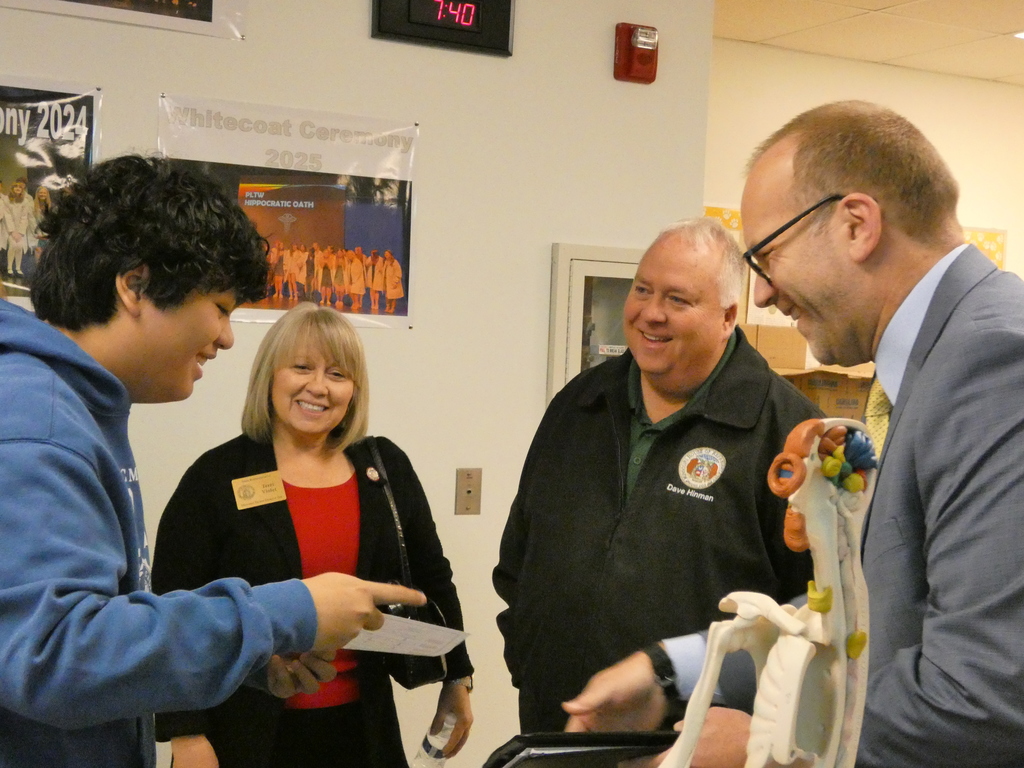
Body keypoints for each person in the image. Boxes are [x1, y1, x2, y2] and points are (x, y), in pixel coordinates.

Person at [563, 101, 1024, 768]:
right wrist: (675, 672)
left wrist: (772, 742)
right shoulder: (926, 366)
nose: (763, 296)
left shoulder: (994, 366)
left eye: (767, 255)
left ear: (857, 226)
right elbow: (868, 617)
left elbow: (985, 691)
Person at [0, 154, 425, 768]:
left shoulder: (72, 412)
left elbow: (102, 625)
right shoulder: (37, 424)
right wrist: (288, 612)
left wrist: (247, 657)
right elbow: (54, 655)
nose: (227, 337)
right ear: (136, 285)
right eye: (221, 308)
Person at [493, 217, 821, 733]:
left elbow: (813, 615)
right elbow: (519, 557)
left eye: (677, 300)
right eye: (642, 290)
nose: (650, 313)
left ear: (727, 316)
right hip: (556, 722)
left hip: (690, 742)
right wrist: (527, 658)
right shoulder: (579, 404)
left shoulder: (787, 433)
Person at [152, 302, 475, 768]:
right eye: (301, 367)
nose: (318, 387)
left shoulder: (384, 469)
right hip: (245, 733)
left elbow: (433, 577)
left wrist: (457, 679)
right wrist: (185, 735)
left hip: (362, 728)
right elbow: (173, 609)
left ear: (354, 390)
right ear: (271, 376)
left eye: (337, 373)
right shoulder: (216, 477)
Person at [5, 177, 34, 280]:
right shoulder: (7, 200)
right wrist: (13, 232)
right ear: (12, 188)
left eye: (19, 187)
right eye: (15, 186)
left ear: (22, 189)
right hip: (10, 230)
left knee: (19, 247)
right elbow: (7, 216)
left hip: (20, 231)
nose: (18, 188)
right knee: (12, 246)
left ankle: (18, 268)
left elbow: (24, 217)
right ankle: (9, 268)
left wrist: (20, 232)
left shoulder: (25, 201)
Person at [383, 248, 404, 314]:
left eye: (387, 254)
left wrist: (395, 281)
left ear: (390, 255)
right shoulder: (386, 262)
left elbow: (398, 273)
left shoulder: (395, 262)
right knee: (388, 296)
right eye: (385, 254)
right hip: (387, 282)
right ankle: (388, 306)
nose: (386, 255)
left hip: (393, 282)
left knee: (393, 297)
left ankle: (392, 308)